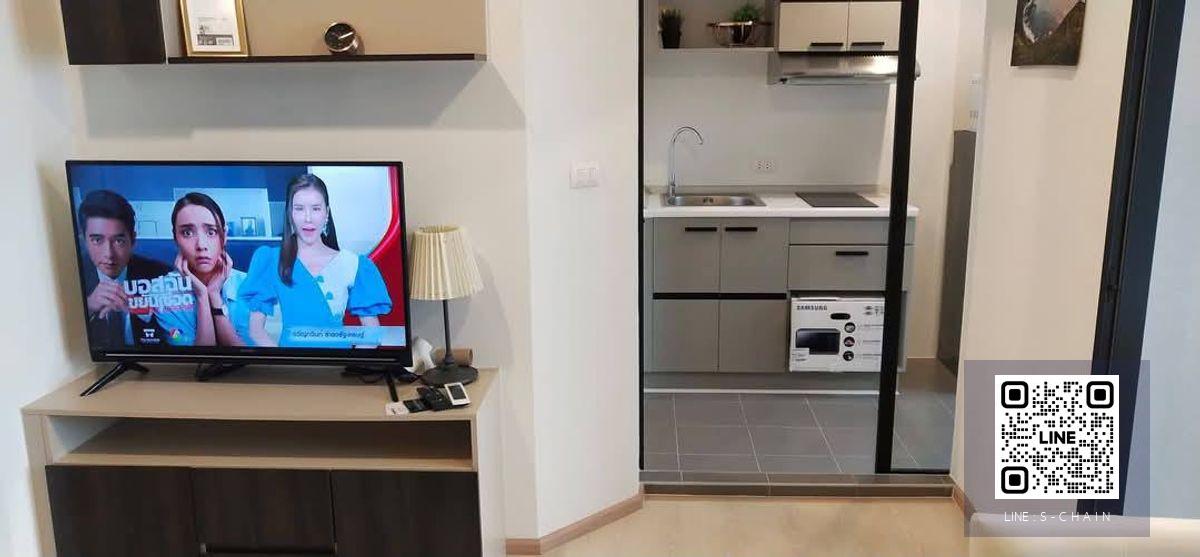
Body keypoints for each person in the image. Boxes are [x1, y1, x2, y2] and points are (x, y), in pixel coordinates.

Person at [239, 174, 392, 348]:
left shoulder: (352, 264)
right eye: (299, 208)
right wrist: (284, 360)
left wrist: (350, 363)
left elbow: (372, 335)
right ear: (290, 214)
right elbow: (256, 331)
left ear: (326, 213)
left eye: (316, 209)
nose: (308, 218)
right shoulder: (272, 260)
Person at [151, 193, 257, 347]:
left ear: (224, 236)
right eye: (187, 233)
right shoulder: (161, 292)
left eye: (211, 232)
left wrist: (214, 296)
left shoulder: (250, 286)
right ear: (175, 239)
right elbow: (198, 357)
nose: (201, 245)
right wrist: (202, 295)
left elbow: (249, 355)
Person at [78, 190, 170, 347]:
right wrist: (88, 308)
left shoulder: (162, 276)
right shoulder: (70, 278)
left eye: (118, 241)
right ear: (84, 240)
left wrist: (140, 310)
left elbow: (179, 338)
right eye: (97, 240)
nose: (109, 254)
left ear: (133, 239)